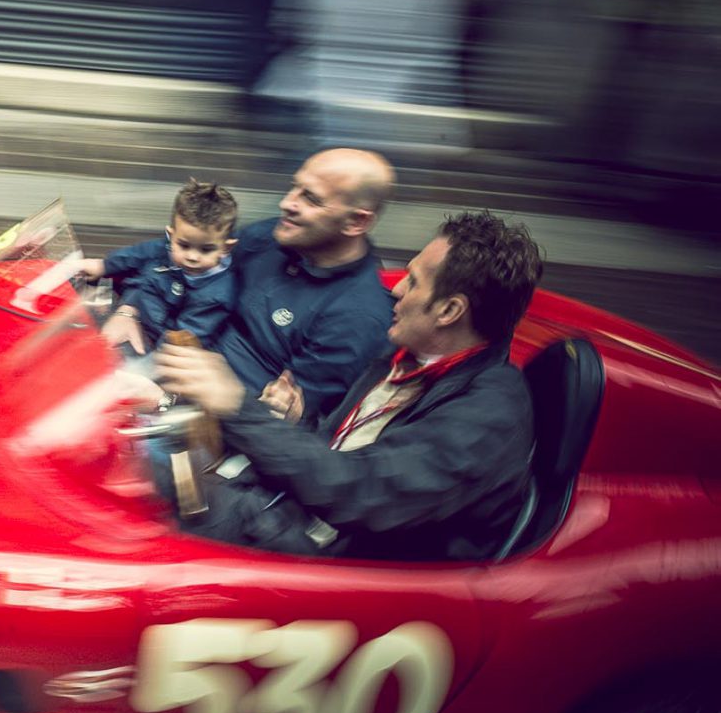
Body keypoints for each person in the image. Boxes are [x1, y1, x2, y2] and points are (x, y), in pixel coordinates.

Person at [153, 209, 543, 561]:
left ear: (449, 310)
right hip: (292, 515)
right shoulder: (405, 354)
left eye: (413, 281)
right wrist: (296, 418)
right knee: (148, 475)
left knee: (149, 518)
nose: (396, 290)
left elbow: (361, 491)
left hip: (334, 561)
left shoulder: (489, 418)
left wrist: (238, 406)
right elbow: (341, 442)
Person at [216, 148, 396, 420]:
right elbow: (197, 267)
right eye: (294, 187)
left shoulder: (356, 317)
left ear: (356, 221)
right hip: (183, 351)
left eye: (311, 199)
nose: (287, 203)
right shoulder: (275, 236)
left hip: (224, 412)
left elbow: (281, 419)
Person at [78, 180, 239, 355]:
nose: (192, 257)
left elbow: (185, 337)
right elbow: (135, 255)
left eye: (206, 250)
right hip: (134, 307)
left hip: (158, 344)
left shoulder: (216, 295)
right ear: (171, 235)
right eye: (184, 246)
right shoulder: (166, 248)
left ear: (226, 247)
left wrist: (152, 360)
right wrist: (104, 266)